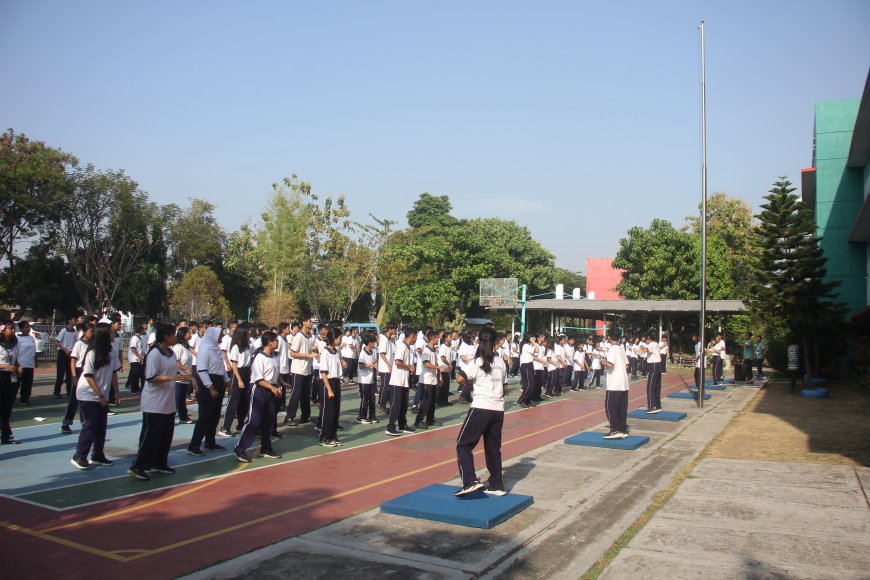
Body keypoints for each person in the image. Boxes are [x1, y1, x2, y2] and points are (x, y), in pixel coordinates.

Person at [129, 323, 194, 480]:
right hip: (154, 402)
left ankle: (159, 462)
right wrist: (172, 378)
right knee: (151, 434)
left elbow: (174, 371)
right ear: (166, 336)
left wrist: (186, 376)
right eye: (173, 334)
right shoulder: (154, 354)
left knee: (166, 434)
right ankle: (138, 466)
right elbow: (151, 378)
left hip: (168, 401)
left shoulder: (171, 353)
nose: (175, 338)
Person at [453, 327, 508, 496]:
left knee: (463, 444)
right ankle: (497, 484)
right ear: (495, 343)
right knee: (493, 447)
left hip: (481, 407)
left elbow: (460, 379)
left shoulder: (477, 361)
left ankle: (469, 481)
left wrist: (471, 383)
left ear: (479, 341)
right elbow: (505, 388)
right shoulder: (500, 362)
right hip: (498, 409)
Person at [70, 322, 115, 469]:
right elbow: (89, 376)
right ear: (103, 335)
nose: (113, 333)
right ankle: (79, 456)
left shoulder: (111, 351)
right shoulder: (92, 353)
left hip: (102, 395)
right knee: (91, 423)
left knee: (101, 425)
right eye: (111, 332)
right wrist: (100, 396)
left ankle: (98, 455)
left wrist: (116, 392)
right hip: (88, 394)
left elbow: (113, 372)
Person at [234, 331, 283, 463]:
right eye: (276, 340)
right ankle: (240, 448)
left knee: (269, 420)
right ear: (269, 342)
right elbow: (258, 379)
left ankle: (266, 448)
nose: (278, 342)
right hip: (260, 390)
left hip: (271, 390)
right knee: (254, 421)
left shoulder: (275, 356)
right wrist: (272, 387)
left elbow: (275, 374)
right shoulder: (259, 357)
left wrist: (280, 385)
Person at [187, 327, 228, 456]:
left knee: (215, 416)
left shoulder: (216, 350)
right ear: (213, 336)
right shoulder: (204, 351)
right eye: (219, 335)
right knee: (205, 417)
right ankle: (194, 445)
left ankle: (210, 442)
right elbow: (202, 371)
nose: (221, 337)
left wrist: (227, 381)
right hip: (208, 385)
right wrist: (211, 387)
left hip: (218, 382)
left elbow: (222, 369)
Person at [61, 323, 94, 434]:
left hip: (88, 371)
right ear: (84, 332)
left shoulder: (94, 344)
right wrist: (74, 376)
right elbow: (73, 361)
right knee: (74, 399)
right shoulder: (79, 344)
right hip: (79, 371)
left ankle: (85, 422)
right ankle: (66, 423)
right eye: (90, 331)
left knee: (86, 399)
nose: (92, 333)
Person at [220, 325, 252, 436]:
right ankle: (225, 427)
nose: (249, 332)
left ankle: (240, 425)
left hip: (247, 372)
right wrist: (239, 380)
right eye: (247, 331)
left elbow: (249, 362)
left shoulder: (248, 346)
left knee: (244, 402)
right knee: (234, 401)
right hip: (238, 372)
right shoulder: (235, 347)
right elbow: (234, 365)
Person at [385, 327, 417, 436]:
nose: (416, 338)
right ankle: (390, 427)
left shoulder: (408, 348)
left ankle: (403, 425)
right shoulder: (402, 347)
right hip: (397, 381)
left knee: (404, 404)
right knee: (396, 404)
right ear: (412, 336)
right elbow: (398, 362)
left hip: (404, 381)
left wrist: (409, 368)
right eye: (415, 336)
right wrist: (408, 367)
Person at [286, 317, 317, 427]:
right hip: (298, 370)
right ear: (304, 322)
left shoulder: (310, 337)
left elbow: (310, 350)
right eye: (310, 321)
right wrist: (308, 355)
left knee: (306, 394)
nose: (311, 323)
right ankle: (290, 416)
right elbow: (292, 353)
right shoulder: (299, 336)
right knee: (295, 394)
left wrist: (313, 350)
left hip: (307, 370)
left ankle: (305, 416)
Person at [600, 329, 630, 439]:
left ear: (609, 337)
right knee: (622, 407)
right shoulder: (621, 348)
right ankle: (623, 429)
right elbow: (627, 365)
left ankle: (615, 429)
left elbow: (610, 364)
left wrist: (602, 362)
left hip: (614, 383)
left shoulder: (612, 349)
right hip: (624, 382)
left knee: (610, 406)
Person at [318, 328, 344, 447]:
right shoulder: (325, 353)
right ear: (333, 339)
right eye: (338, 338)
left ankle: (333, 435)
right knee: (328, 411)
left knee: (335, 411)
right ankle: (324, 436)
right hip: (327, 382)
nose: (340, 340)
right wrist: (328, 389)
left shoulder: (336, 351)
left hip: (336, 382)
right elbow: (323, 372)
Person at [414, 330, 441, 429]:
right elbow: (426, 363)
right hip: (426, 380)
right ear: (433, 338)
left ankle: (430, 419)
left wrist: (439, 376)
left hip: (432, 379)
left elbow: (435, 364)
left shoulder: (433, 350)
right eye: (437, 338)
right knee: (426, 401)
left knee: (432, 400)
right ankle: (419, 420)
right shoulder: (426, 350)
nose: (438, 339)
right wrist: (438, 368)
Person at [0, 322, 20, 445]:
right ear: (3, 330)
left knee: (6, 407)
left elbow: (15, 358)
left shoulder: (14, 343)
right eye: (10, 328)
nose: (13, 330)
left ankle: (6, 435)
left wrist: (18, 366)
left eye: (14, 328)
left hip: (9, 377)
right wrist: (7, 366)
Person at [172, 327, 195, 424]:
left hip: (185, 376)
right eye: (188, 333)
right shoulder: (178, 347)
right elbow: (175, 362)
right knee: (177, 398)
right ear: (183, 334)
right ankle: (170, 417)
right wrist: (185, 369)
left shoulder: (187, 346)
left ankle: (183, 417)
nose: (191, 334)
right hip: (178, 376)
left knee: (181, 398)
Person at [356, 332, 378, 423]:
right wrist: (371, 365)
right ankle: (362, 416)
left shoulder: (372, 352)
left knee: (372, 398)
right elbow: (361, 365)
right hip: (364, 379)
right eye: (373, 342)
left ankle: (372, 416)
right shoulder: (362, 353)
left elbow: (372, 361)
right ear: (369, 342)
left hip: (370, 379)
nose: (374, 344)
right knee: (365, 398)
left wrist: (374, 361)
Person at [53, 318, 77, 398]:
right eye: (73, 320)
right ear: (69, 321)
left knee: (70, 374)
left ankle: (69, 391)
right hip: (62, 354)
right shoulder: (64, 330)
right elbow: (56, 342)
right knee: (60, 374)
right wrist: (65, 349)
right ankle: (56, 392)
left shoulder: (75, 331)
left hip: (71, 354)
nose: (74, 321)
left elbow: (76, 342)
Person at [15, 321, 37, 405]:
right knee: (16, 384)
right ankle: (11, 400)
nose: (28, 329)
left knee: (27, 384)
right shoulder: (18, 338)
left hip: (30, 364)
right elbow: (15, 352)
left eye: (29, 327)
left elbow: (34, 350)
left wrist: (36, 360)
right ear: (21, 329)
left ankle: (24, 400)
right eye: (26, 327)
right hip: (20, 364)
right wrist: (17, 364)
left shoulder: (31, 338)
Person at [643, 336, 662, 414]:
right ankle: (658, 405)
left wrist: (642, 347)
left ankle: (652, 406)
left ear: (649, 338)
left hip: (653, 365)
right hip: (658, 364)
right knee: (657, 386)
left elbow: (646, 350)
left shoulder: (652, 343)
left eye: (647, 339)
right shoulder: (656, 344)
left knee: (650, 387)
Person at [125, 324, 146, 394]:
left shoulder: (139, 338)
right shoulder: (134, 338)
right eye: (143, 329)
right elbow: (133, 348)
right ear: (140, 330)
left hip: (139, 359)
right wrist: (138, 356)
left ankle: (137, 387)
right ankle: (133, 388)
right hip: (134, 359)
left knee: (140, 373)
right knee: (135, 373)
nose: (144, 331)